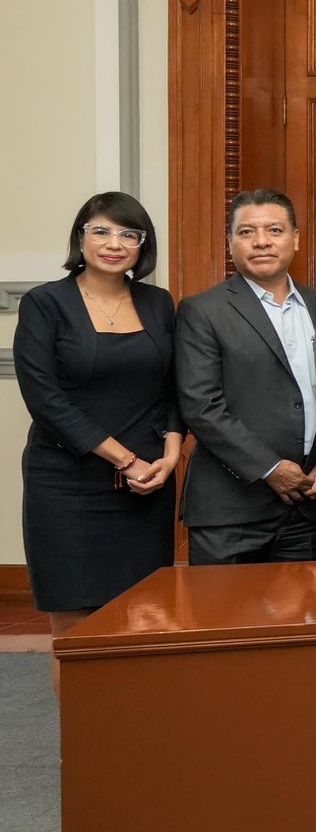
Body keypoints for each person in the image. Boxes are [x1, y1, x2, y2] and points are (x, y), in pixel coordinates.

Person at [14, 192, 183, 635]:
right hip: (67, 486)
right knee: (75, 626)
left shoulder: (158, 303)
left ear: (143, 246)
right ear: (81, 239)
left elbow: (173, 389)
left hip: (147, 486)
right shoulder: (45, 303)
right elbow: (46, 400)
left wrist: (171, 454)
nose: (115, 243)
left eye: (130, 234)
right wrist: (125, 460)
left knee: (145, 616)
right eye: (101, 231)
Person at [176, 189, 316, 564]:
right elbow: (201, 406)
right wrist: (270, 468)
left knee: (303, 621)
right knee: (226, 621)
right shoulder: (203, 311)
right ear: (230, 241)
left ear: (296, 238)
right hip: (232, 509)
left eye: (275, 230)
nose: (261, 241)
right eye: (247, 232)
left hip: (309, 504)